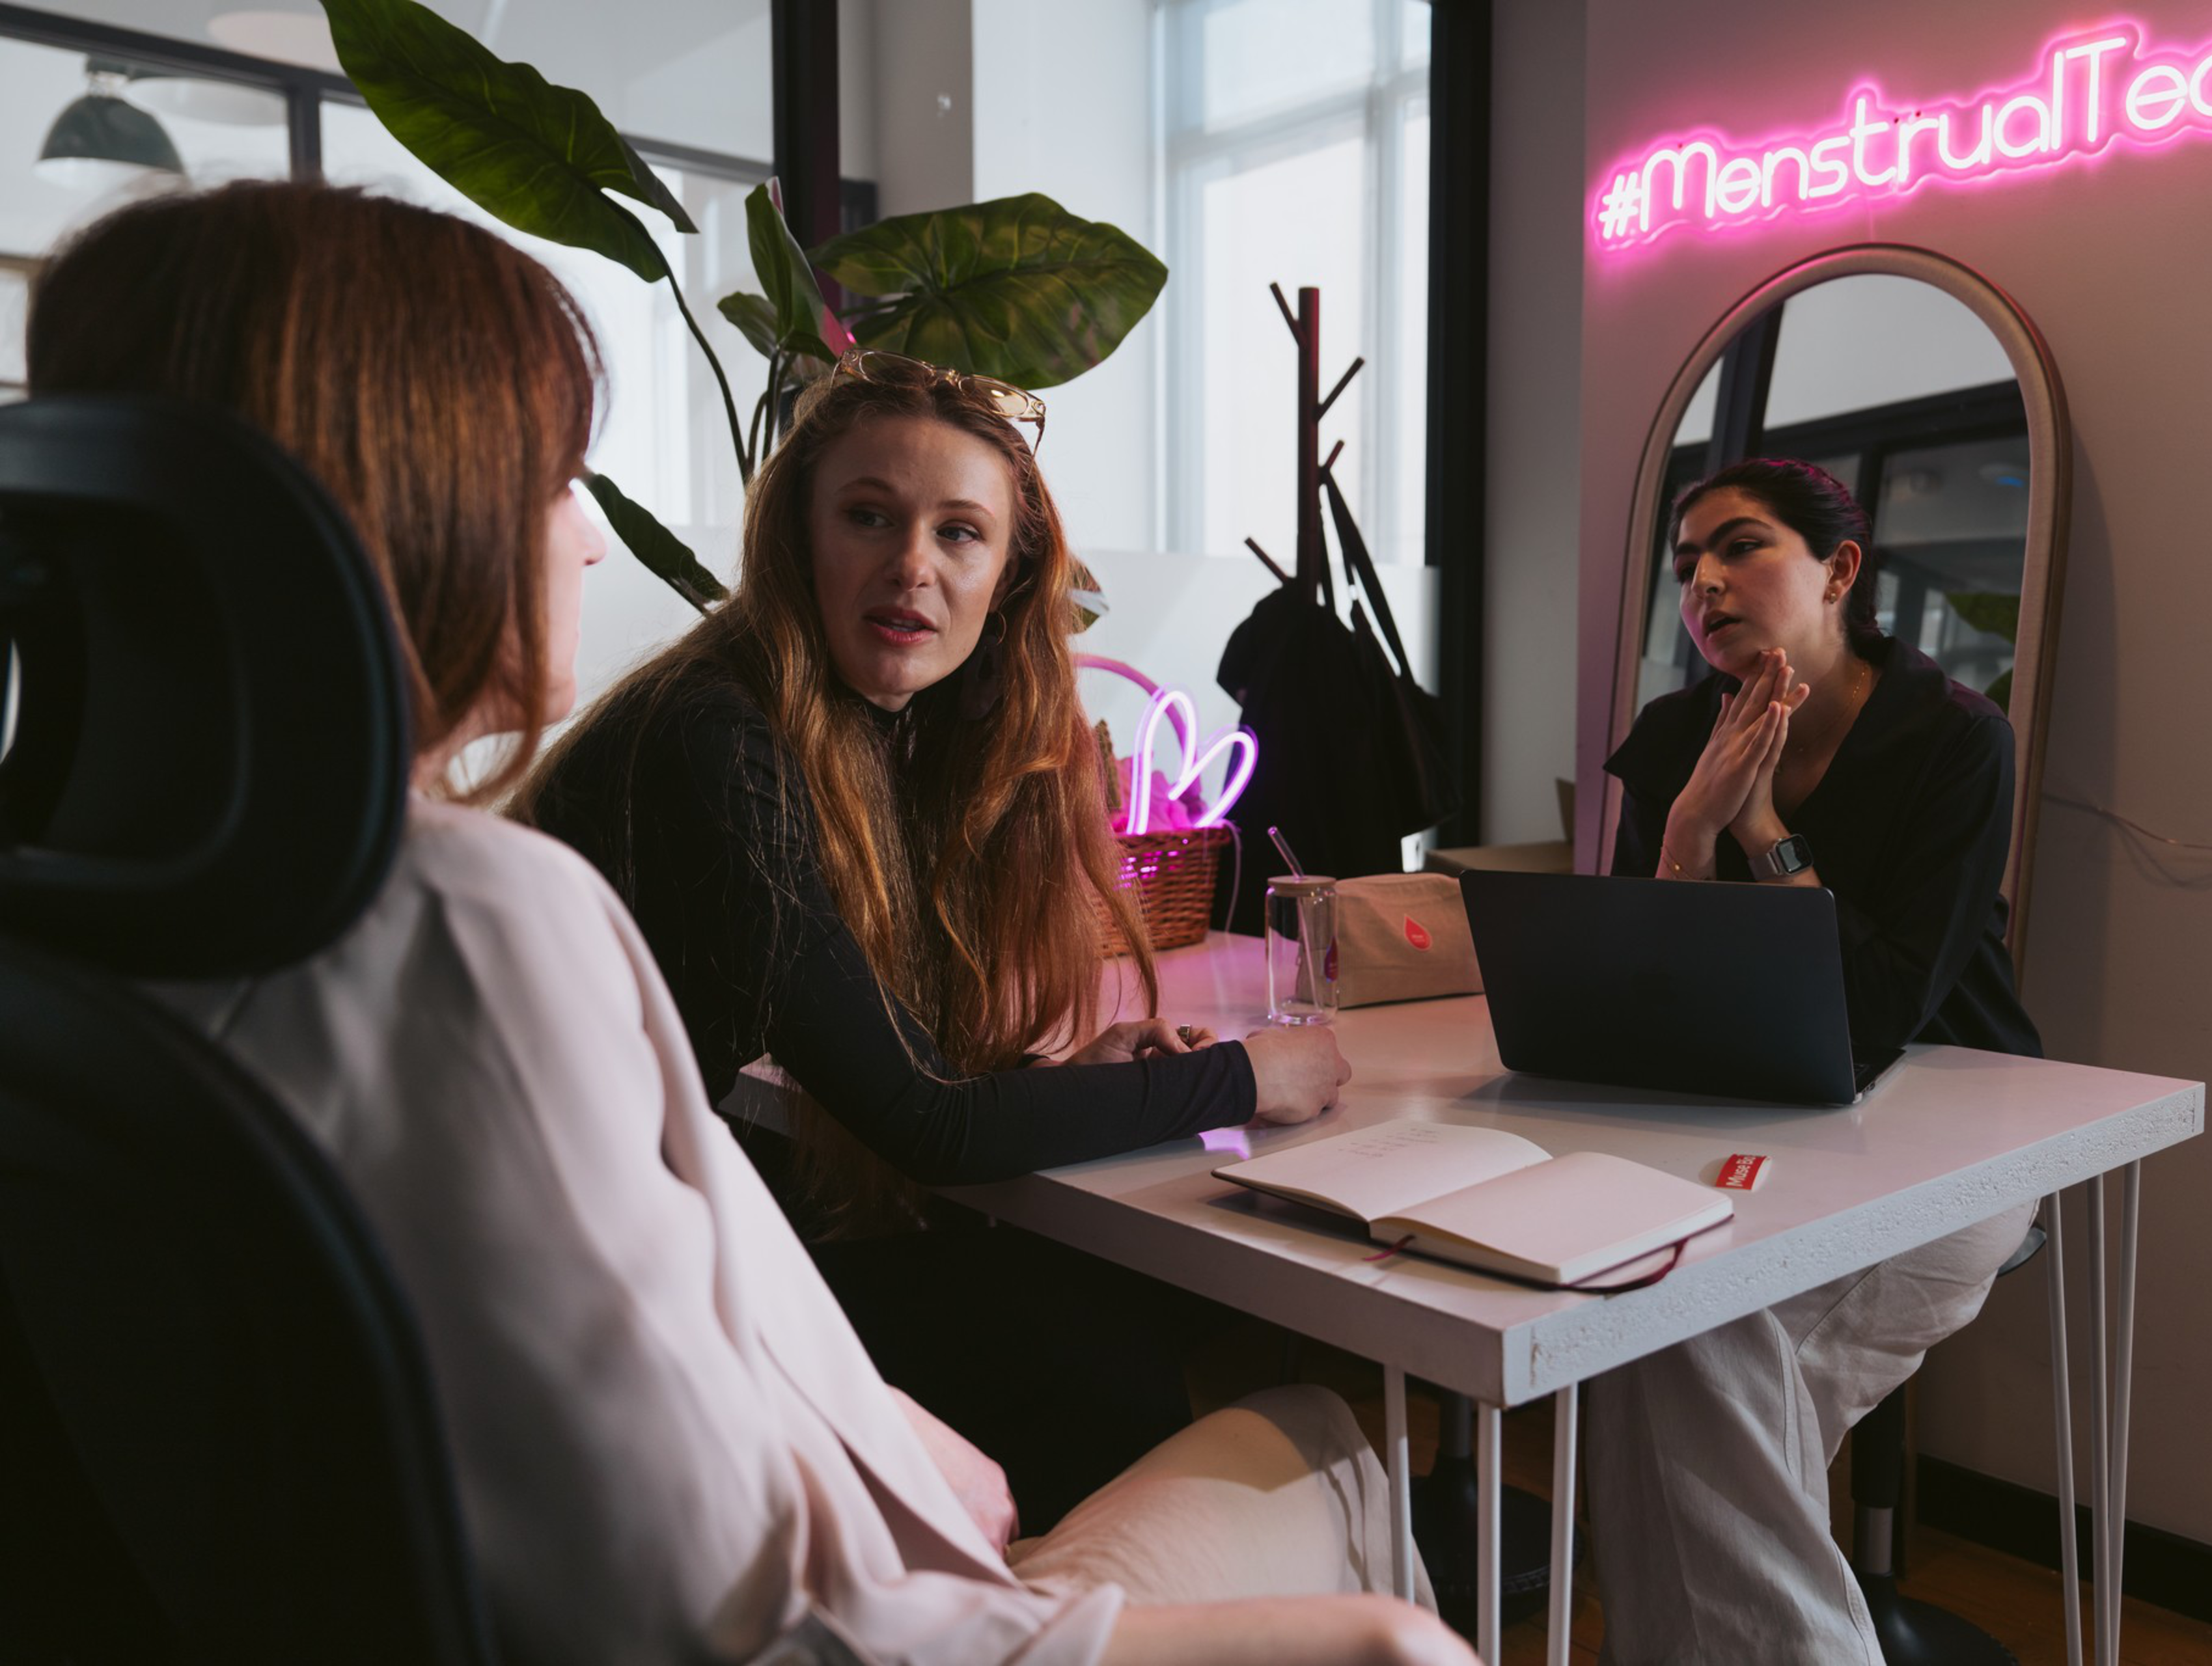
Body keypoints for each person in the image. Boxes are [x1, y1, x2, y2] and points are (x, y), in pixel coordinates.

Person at [29, 178, 1466, 1666]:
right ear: (402, 508)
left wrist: (858, 1421)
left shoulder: (147, 924)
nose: (589, 542)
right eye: (553, 478)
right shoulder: (468, 920)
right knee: (1327, 1448)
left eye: (961, 536)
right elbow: (762, 1620)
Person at [519, 352, 1350, 1525]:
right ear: (798, 541)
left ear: (1009, 581)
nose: (910, 567)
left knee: (1102, 1319)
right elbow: (929, 1124)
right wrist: (1246, 1074)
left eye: (959, 534)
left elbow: (907, 1072)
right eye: (868, 517)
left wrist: (1065, 1078)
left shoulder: (850, 734)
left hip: (640, 1252)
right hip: (587, 1309)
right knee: (1097, 1353)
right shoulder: (714, 740)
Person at [1589, 457, 2041, 1663]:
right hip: (1753, 1114)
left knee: (1692, 1348)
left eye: (1740, 547)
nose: (1704, 582)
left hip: (1957, 1123)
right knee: (1656, 1323)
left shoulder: (1952, 738)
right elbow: (1638, 985)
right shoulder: (1678, 733)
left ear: (1839, 569)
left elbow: (1886, 1007)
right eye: (1687, 563)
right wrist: (1688, 831)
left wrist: (1763, 832)